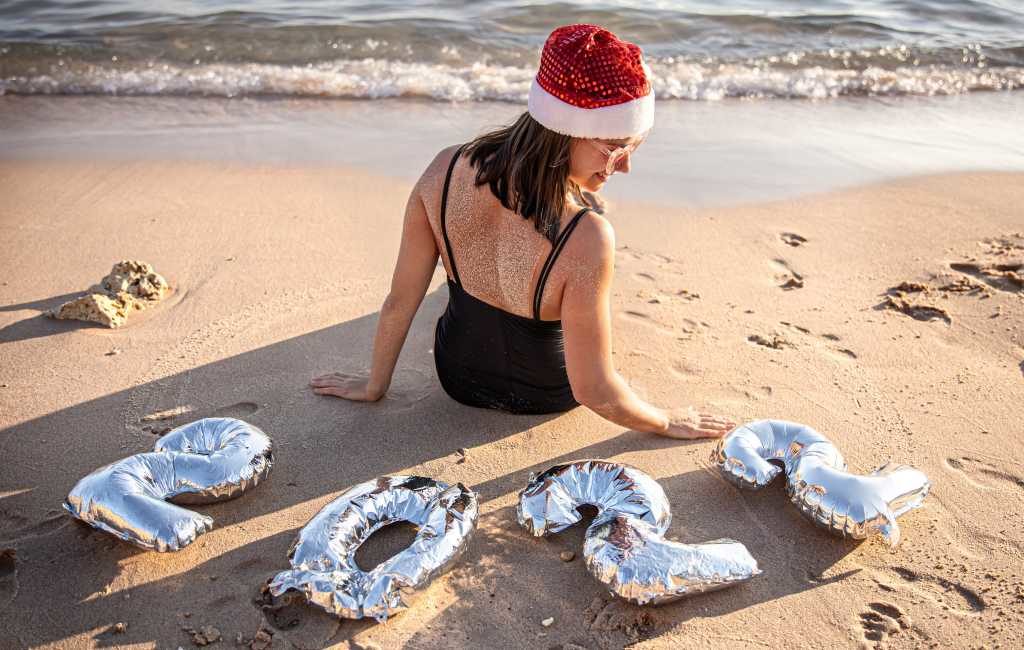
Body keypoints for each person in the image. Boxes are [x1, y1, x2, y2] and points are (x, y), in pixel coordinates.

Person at [310, 24, 735, 439]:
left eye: (633, 147)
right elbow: (592, 389)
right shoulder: (589, 237)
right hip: (550, 393)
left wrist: (374, 384)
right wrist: (665, 421)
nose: (624, 166)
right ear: (565, 130)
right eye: (613, 149)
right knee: (581, 267)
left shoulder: (442, 170)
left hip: (456, 376)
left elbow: (400, 300)